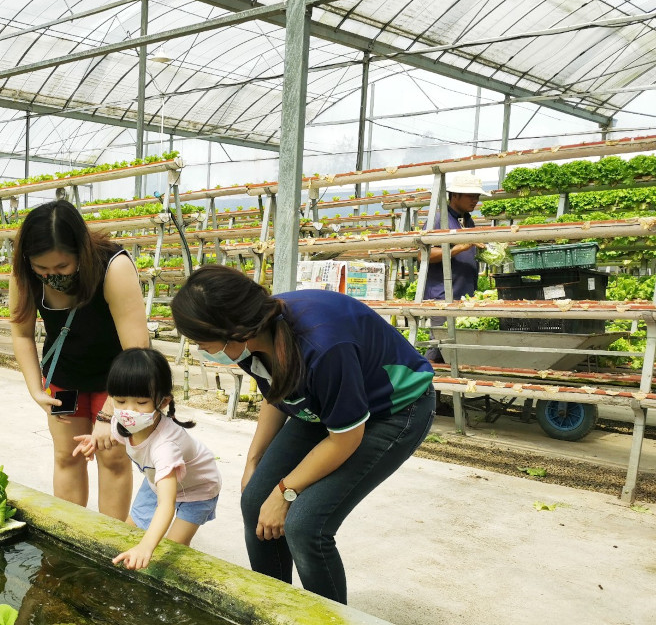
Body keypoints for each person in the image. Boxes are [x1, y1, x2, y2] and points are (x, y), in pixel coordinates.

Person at [170, 265, 435, 604]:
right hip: (324, 407)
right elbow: (277, 393)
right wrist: (254, 461)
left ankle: (326, 616)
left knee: (306, 526)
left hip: (393, 410)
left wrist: (286, 491)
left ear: (235, 330)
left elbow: (345, 439)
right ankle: (273, 608)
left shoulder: (323, 346)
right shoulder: (249, 336)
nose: (200, 348)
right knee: (254, 500)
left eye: (200, 340)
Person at [9, 199, 149, 521]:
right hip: (65, 376)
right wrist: (35, 388)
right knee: (68, 454)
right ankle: (71, 532)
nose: (51, 276)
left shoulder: (113, 266)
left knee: (112, 456)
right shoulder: (24, 274)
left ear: (81, 252)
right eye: (42, 269)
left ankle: (108, 539)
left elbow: (137, 349)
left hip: (117, 377)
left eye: (61, 268)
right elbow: (21, 334)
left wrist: (108, 413)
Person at [72, 347, 221, 571]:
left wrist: (147, 547)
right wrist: (95, 441)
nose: (129, 411)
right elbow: (118, 436)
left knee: (168, 552)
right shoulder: (122, 422)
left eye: (141, 403)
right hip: (156, 481)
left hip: (196, 491)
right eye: (120, 401)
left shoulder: (165, 447)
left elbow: (166, 505)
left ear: (162, 402)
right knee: (130, 534)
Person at [422, 172, 488, 362]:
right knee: (439, 345)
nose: (475, 200)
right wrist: (457, 249)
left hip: (464, 295)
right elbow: (423, 255)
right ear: (455, 195)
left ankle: (443, 388)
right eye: (471, 196)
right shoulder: (438, 220)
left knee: (451, 349)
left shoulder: (468, 221)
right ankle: (426, 388)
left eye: (477, 196)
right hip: (442, 296)